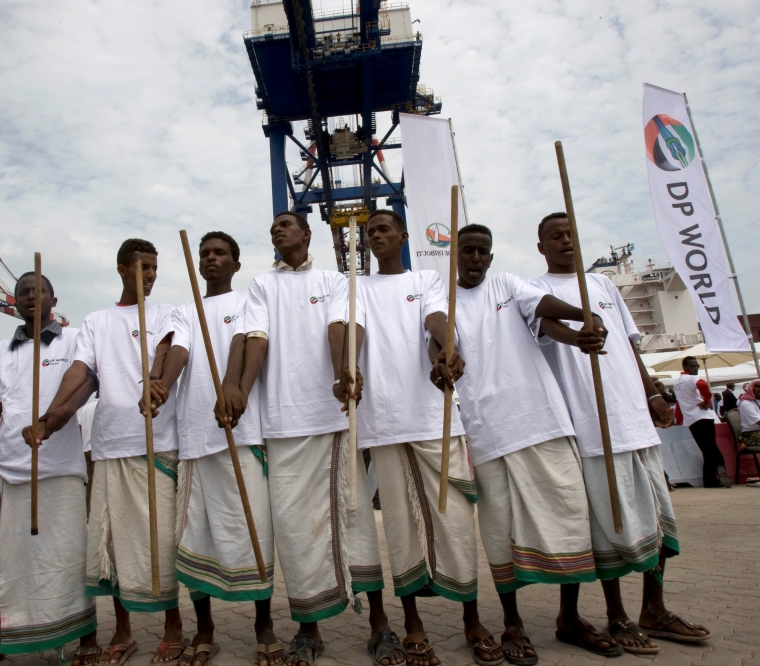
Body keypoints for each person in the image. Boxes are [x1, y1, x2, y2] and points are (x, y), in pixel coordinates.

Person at [428, 222, 618, 663]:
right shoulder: (442, 302)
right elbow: (436, 348)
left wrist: (581, 318)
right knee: (501, 533)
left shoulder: (508, 285)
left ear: (491, 258)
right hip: (486, 434)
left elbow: (546, 316)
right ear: (454, 257)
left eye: (482, 251)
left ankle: (568, 618)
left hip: (543, 423)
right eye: (467, 250)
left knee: (568, 516)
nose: (475, 258)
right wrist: (443, 364)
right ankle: (512, 625)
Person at [221, 211, 397, 666]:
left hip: (332, 418)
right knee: (297, 531)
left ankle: (380, 623)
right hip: (282, 423)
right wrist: (239, 386)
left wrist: (345, 370)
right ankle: (308, 628)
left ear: (306, 234)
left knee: (356, 521)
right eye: (273, 226)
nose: (278, 230)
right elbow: (255, 339)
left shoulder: (334, 279)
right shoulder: (263, 285)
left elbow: (341, 327)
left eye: (286, 224)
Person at [532, 212, 711, 652]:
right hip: (591, 427)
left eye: (571, 233)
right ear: (542, 247)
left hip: (635, 420)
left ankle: (655, 607)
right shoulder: (537, 290)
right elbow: (547, 332)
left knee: (657, 518)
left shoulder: (605, 285)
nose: (566, 241)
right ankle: (617, 615)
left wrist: (653, 394)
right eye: (556, 237)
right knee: (609, 525)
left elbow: (630, 348)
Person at [352, 210, 499, 665]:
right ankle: (413, 624)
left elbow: (436, 323)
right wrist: (348, 364)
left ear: (402, 236)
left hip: (433, 416)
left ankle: (472, 619)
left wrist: (447, 350)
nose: (376, 236)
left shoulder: (427, 280)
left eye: (382, 229)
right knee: (401, 527)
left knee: (454, 521)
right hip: (383, 421)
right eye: (370, 232)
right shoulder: (358, 287)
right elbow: (354, 331)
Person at [32, 239, 183, 666]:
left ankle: (173, 626)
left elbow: (168, 349)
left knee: (161, 541)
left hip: (157, 441)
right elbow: (81, 372)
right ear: (123, 269)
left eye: (156, 268)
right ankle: (123, 628)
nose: (152, 275)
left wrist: (156, 379)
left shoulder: (167, 313)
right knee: (112, 544)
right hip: (111, 444)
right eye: (144, 268)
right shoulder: (96, 321)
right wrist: (52, 415)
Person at [0, 271, 99, 666]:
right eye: (23, 292)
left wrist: (55, 418)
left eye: (39, 291)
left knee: (66, 555)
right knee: (6, 559)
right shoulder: (2, 350)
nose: (31, 297)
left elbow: (86, 382)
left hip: (60, 467)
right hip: (10, 469)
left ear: (54, 298)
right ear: (15, 301)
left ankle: (84, 638)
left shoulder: (76, 338)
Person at [157, 231, 281, 666]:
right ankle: (204, 628)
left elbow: (246, 344)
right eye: (205, 254)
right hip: (195, 438)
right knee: (196, 535)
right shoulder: (184, 308)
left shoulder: (249, 301)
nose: (211, 259)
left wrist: (235, 390)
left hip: (242, 434)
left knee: (254, 531)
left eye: (220, 253)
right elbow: (181, 350)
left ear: (236, 262)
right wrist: (162, 384)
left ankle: (263, 625)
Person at [673, 359, 731, 488]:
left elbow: (679, 403)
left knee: (707, 448)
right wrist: (707, 401)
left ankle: (712, 476)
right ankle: (719, 467)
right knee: (710, 448)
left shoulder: (676, 383)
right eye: (693, 366)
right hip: (703, 416)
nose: (696, 368)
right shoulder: (692, 379)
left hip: (691, 420)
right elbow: (703, 385)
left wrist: (679, 420)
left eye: (697, 365)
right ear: (685, 366)